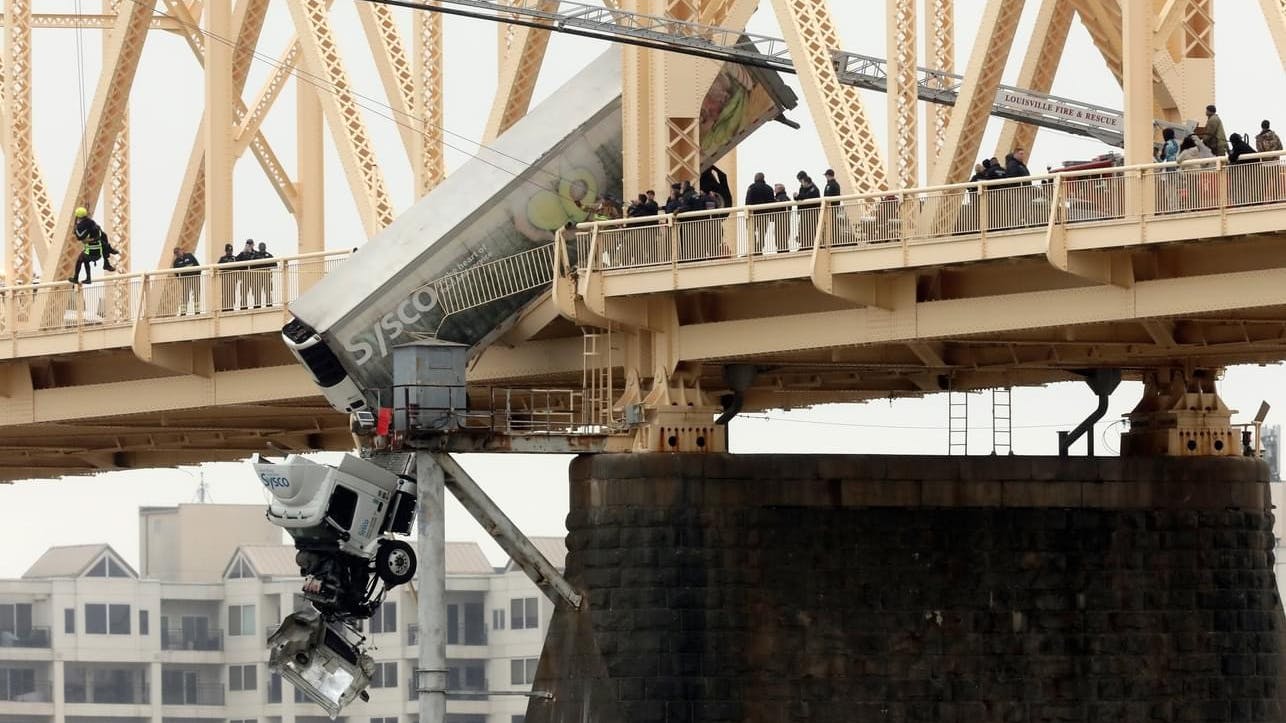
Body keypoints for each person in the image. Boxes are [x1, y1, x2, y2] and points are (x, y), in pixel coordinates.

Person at [69, 207, 118, 284]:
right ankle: (106, 263)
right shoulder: (93, 223)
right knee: (85, 260)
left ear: (78, 216)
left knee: (80, 259)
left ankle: (76, 278)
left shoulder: (81, 226)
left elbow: (79, 237)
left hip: (91, 252)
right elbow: (103, 235)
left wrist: (76, 229)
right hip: (99, 253)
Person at [745, 172, 777, 253]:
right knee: (762, 233)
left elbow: (747, 202)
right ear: (763, 178)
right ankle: (759, 249)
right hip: (764, 215)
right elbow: (772, 203)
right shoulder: (769, 188)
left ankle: (754, 248)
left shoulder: (751, 188)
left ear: (755, 178)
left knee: (751, 232)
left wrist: (746, 214)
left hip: (753, 215)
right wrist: (771, 216)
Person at [794, 172, 821, 249]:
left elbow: (808, 197)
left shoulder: (814, 189)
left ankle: (810, 245)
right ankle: (804, 245)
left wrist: (799, 196)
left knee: (811, 229)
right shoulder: (802, 187)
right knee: (803, 229)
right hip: (804, 212)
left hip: (812, 213)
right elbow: (800, 197)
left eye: (800, 180)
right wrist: (796, 196)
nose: (800, 182)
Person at [171, 247, 201, 316]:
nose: (177, 254)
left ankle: (197, 311)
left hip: (194, 278)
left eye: (178, 252)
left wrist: (197, 276)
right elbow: (175, 273)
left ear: (181, 251)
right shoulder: (176, 262)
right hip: (185, 280)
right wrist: (181, 279)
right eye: (176, 253)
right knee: (185, 296)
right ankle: (183, 312)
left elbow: (198, 266)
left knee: (196, 294)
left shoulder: (189, 256)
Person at [234, 239, 257, 308]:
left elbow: (258, 260)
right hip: (244, 277)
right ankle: (243, 306)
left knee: (255, 292)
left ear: (253, 245)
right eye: (248, 245)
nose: (250, 246)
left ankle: (257, 305)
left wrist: (251, 253)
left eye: (251, 245)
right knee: (244, 292)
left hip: (253, 276)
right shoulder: (242, 254)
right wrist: (245, 252)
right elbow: (235, 260)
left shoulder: (255, 253)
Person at [252, 241, 275, 308]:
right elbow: (252, 264)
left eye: (263, 247)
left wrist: (266, 263)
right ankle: (257, 305)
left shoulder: (269, 255)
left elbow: (275, 264)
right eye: (261, 247)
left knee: (267, 291)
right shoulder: (255, 255)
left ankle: (269, 304)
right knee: (257, 291)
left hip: (267, 276)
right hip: (257, 277)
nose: (262, 248)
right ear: (259, 248)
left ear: (265, 247)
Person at [216, 243, 238, 311]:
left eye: (231, 251)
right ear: (226, 251)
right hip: (225, 279)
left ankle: (231, 307)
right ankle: (225, 308)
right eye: (228, 251)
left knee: (232, 294)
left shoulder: (234, 258)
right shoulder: (222, 259)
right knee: (225, 294)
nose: (230, 252)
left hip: (232, 279)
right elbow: (218, 267)